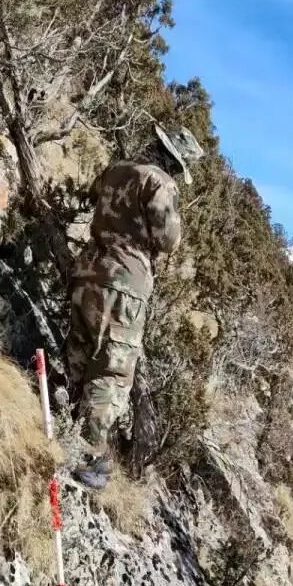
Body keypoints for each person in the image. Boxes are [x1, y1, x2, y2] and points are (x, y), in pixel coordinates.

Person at [67, 125, 204, 489]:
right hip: (125, 283)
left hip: (88, 271)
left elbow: (92, 194)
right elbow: (169, 239)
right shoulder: (160, 183)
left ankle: (63, 423)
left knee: (80, 349)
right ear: (175, 161)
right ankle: (89, 456)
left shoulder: (116, 168)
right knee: (112, 368)